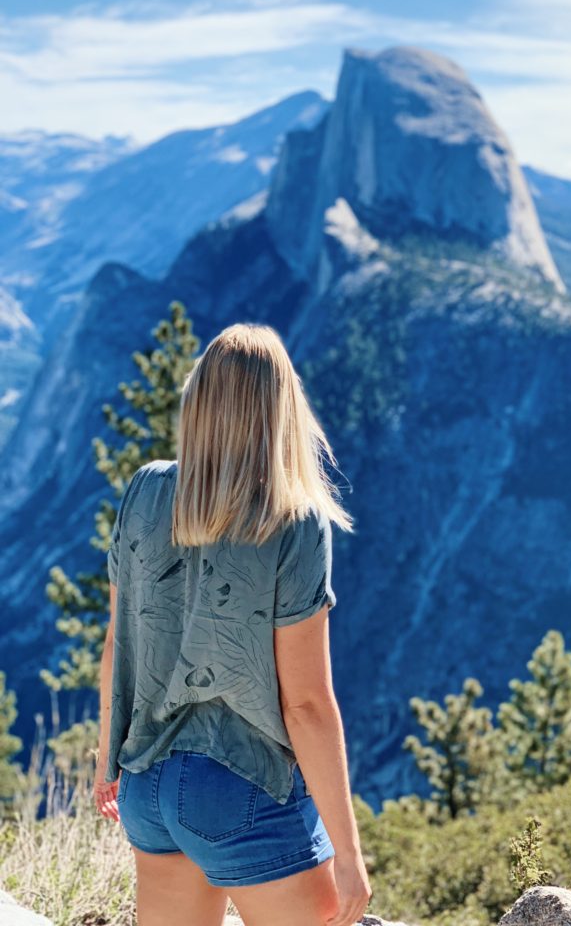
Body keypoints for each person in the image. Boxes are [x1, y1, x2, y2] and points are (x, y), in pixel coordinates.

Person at [92, 323, 372, 926]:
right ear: (282, 408)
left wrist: (106, 760)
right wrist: (349, 856)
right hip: (241, 785)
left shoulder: (144, 490)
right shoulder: (292, 520)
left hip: (146, 784)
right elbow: (306, 705)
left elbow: (118, 639)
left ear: (198, 402)